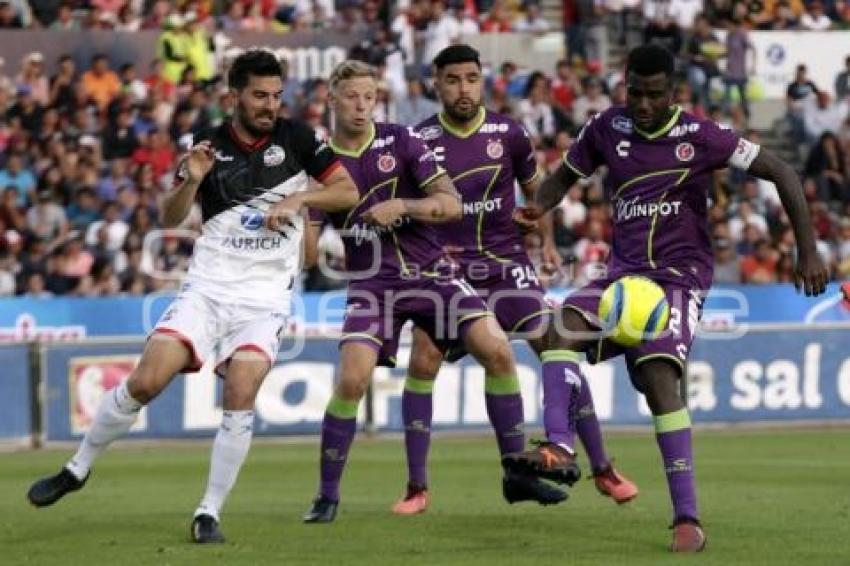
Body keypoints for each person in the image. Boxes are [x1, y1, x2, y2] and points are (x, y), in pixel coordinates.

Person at [26, 49, 359, 544]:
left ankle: (208, 512)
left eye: (276, 95)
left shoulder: (301, 139)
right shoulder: (207, 145)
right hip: (207, 290)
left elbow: (348, 191)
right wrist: (193, 180)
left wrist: (301, 198)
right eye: (259, 95)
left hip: (264, 298)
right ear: (235, 96)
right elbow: (168, 216)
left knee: (242, 390)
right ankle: (77, 468)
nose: (270, 104)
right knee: (146, 381)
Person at [510, 44, 828, 552]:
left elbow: (784, 173)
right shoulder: (605, 128)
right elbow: (564, 177)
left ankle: (687, 518)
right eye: (634, 91)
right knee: (557, 328)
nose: (642, 103)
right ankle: (559, 447)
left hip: (679, 279)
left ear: (673, 92)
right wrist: (538, 206)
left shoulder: (701, 135)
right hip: (623, 276)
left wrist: (807, 251)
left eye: (654, 94)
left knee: (660, 380)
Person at [300, 60, 566, 524]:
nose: (362, 105)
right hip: (372, 286)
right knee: (352, 379)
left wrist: (402, 205)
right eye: (352, 96)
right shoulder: (320, 163)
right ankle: (326, 495)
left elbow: (450, 203)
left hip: (431, 274)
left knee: (497, 350)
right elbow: (306, 256)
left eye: (369, 96)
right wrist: (299, 218)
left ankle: (516, 472)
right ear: (331, 99)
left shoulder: (403, 141)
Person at [386, 44, 637, 516]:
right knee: (422, 360)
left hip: (506, 264)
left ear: (482, 81)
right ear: (435, 84)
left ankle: (602, 467)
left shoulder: (510, 133)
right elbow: (409, 210)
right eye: (453, 80)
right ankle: (416, 487)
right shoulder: (415, 141)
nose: (463, 89)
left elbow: (536, 192)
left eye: (471, 78)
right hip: (448, 270)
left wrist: (542, 241)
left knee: (556, 345)